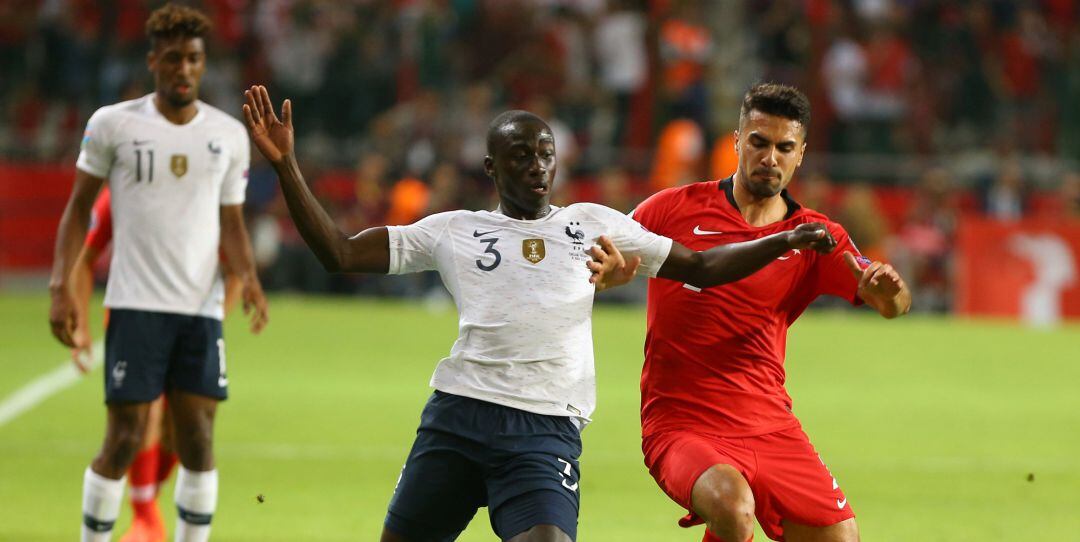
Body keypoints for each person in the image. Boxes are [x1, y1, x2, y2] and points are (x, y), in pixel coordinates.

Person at [242, 84, 837, 542]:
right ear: (492, 169)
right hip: (458, 418)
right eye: (520, 155)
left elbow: (703, 267)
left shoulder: (593, 223)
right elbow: (339, 253)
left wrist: (785, 240)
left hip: (543, 432)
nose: (536, 165)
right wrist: (287, 166)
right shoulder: (454, 231)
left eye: (545, 154)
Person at [603, 83, 911, 542]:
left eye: (784, 147)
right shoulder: (670, 210)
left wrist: (888, 293)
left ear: (801, 154)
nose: (770, 157)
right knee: (731, 506)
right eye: (759, 143)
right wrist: (607, 270)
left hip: (769, 424)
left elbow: (893, 306)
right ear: (736, 142)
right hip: (681, 422)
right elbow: (603, 254)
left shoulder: (815, 236)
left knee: (840, 538)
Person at [47, 5, 269, 542]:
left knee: (198, 437)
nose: (183, 69)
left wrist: (250, 277)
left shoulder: (228, 135)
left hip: (199, 311)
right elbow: (79, 210)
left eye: (192, 58)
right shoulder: (113, 124)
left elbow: (231, 223)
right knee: (123, 440)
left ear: (203, 63)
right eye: (172, 58)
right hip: (135, 305)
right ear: (153, 61)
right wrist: (61, 285)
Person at [68, 186, 244, 542]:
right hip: (136, 318)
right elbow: (85, 257)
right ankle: (145, 515)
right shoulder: (120, 189)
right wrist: (82, 326)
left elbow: (237, 268)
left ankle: (150, 504)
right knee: (141, 419)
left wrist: (213, 325)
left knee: (179, 431)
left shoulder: (206, 191)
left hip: (192, 327)